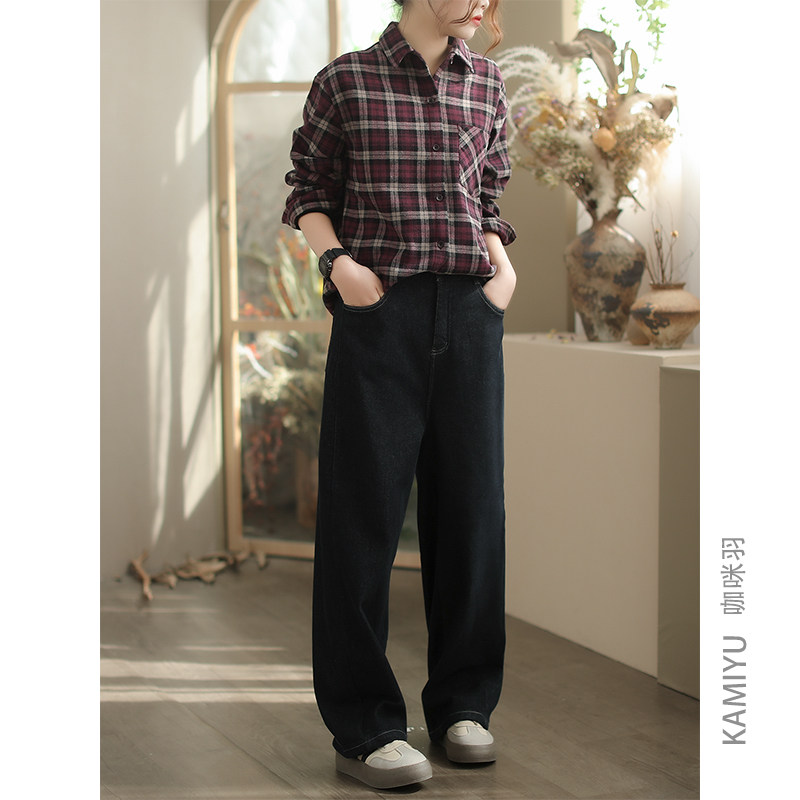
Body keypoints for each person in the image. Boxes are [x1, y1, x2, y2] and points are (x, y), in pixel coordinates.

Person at [282, 0, 516, 789]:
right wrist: (340, 266)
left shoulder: (487, 84)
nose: (483, 4)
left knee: (474, 515)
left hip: (472, 313)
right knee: (362, 520)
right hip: (381, 312)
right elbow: (308, 190)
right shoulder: (346, 80)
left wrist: (501, 275)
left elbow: (488, 197)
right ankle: (365, 727)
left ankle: (464, 705)